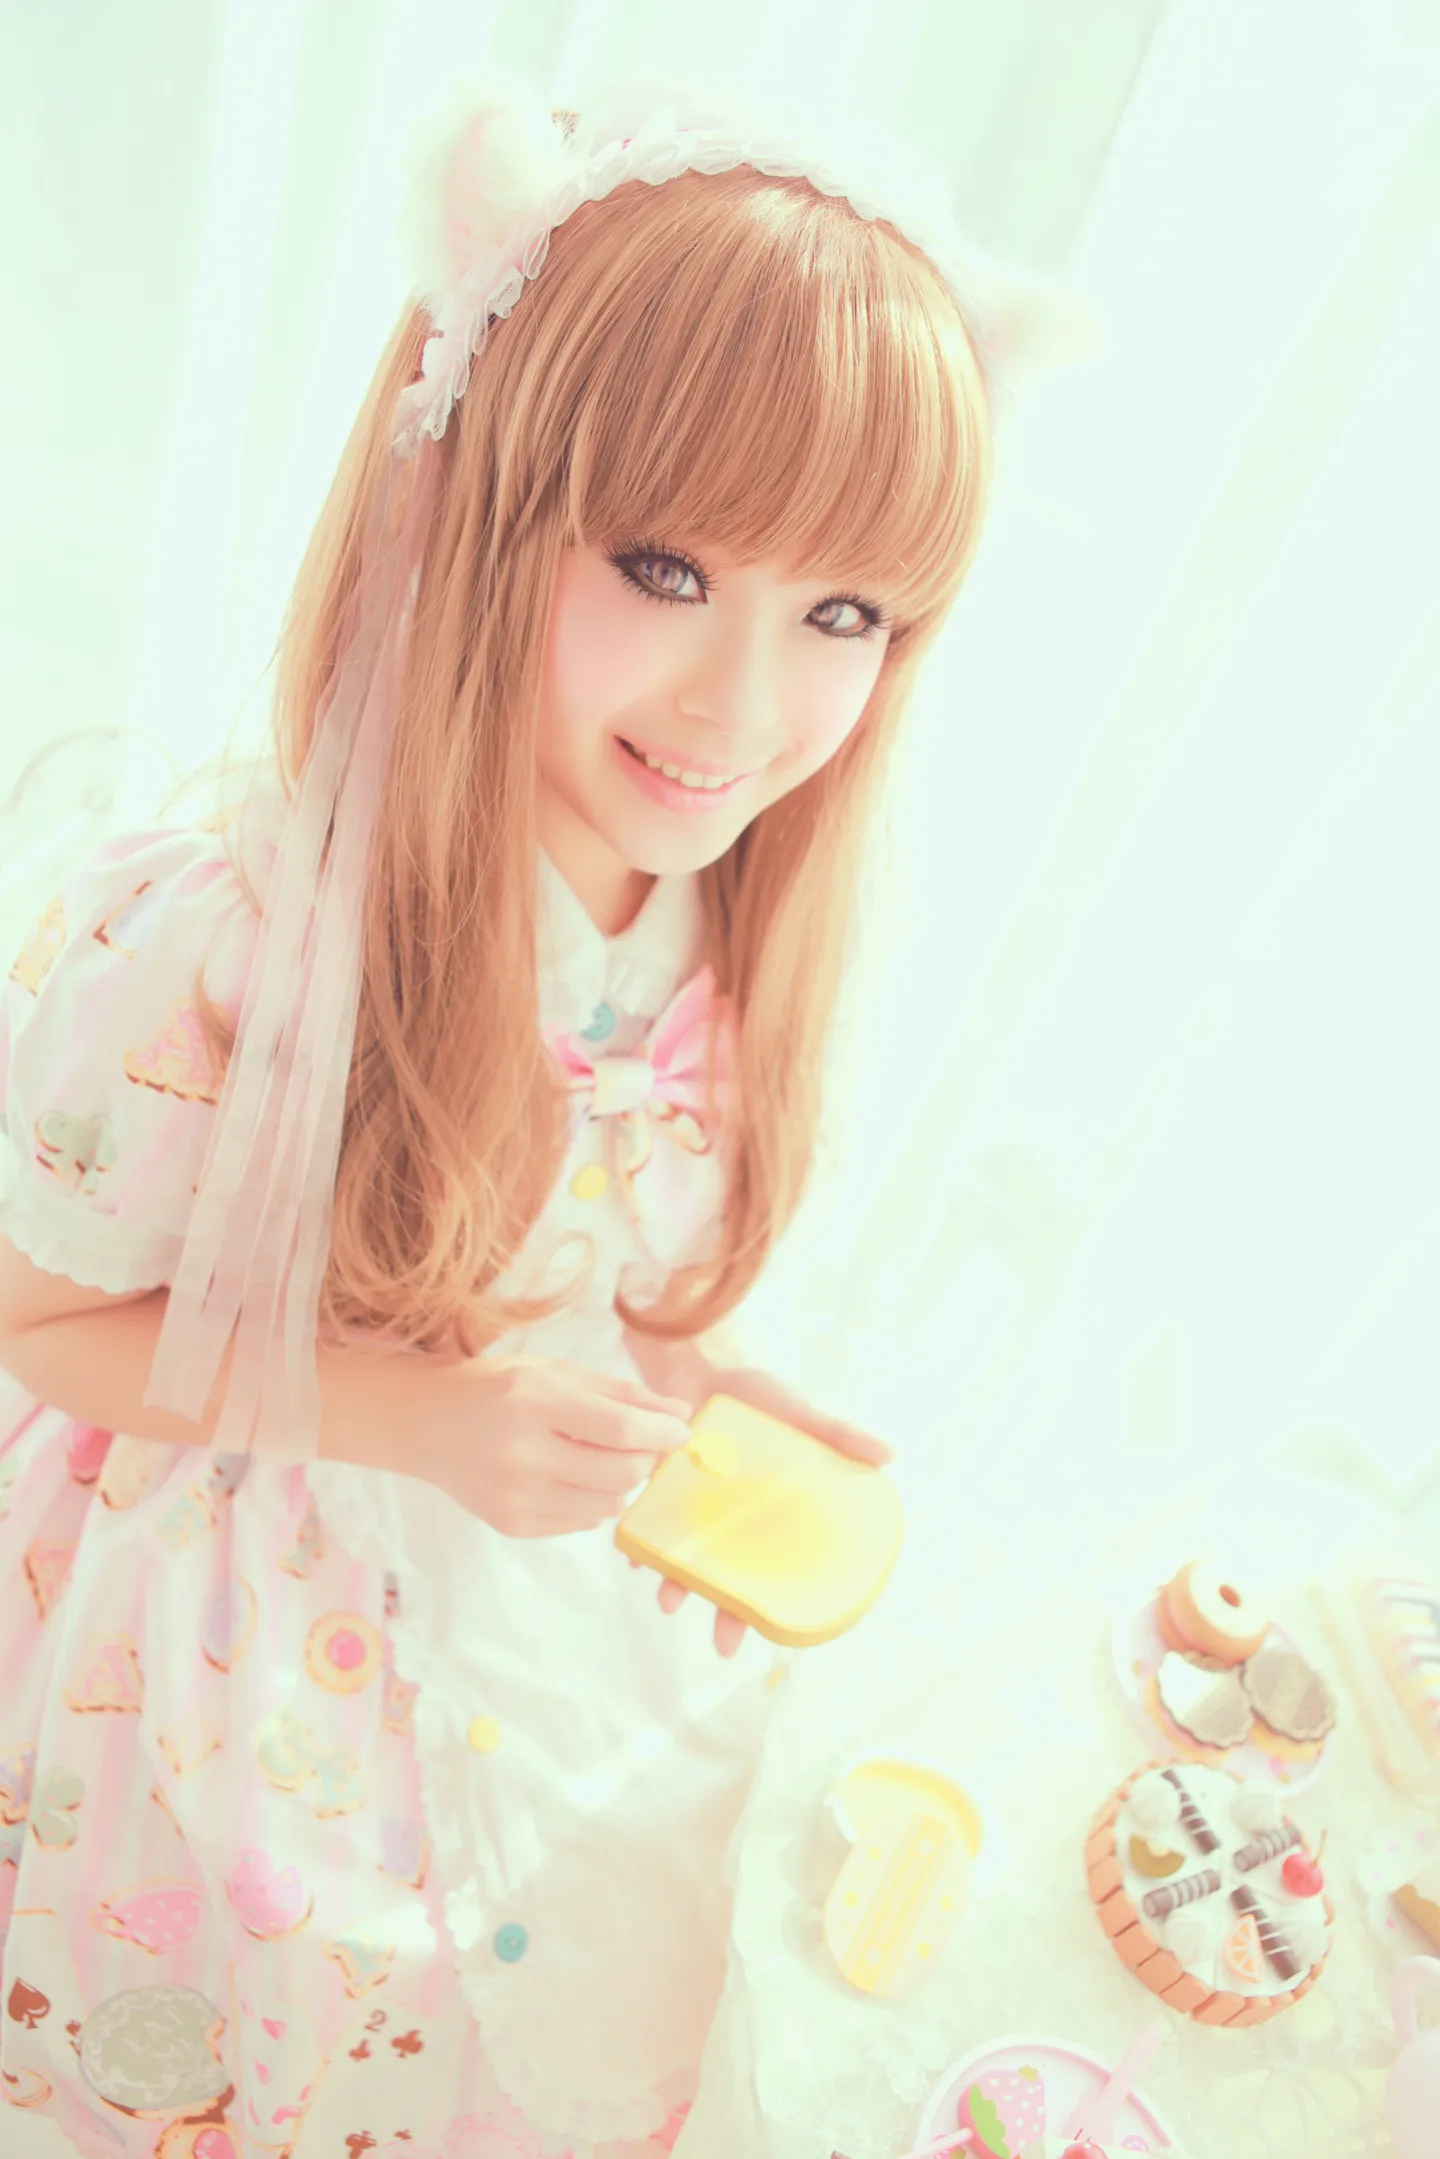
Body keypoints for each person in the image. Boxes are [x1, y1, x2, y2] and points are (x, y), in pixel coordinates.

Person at [0, 68, 1086, 2159]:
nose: (740, 706)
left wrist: (694, 1368)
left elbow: (592, 1228)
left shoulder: (735, 911)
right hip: (220, 1587)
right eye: (665, 565)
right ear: (471, 499)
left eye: (841, 615)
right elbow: (37, 1321)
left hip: (515, 1530)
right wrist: (416, 1419)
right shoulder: (227, 938)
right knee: (296, 1989)